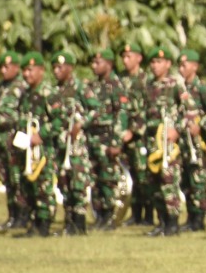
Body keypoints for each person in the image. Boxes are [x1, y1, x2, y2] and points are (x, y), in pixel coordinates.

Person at [137, 44, 197, 238]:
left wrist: (177, 130)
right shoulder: (148, 86)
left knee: (168, 181)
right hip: (152, 141)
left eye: (159, 62)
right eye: (153, 62)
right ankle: (161, 221)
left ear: (168, 64)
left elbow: (191, 112)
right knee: (152, 182)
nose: (155, 66)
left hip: (169, 143)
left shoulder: (176, 85)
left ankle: (172, 222)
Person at [16, 53, 59, 237]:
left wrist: (41, 134)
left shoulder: (48, 93)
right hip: (28, 151)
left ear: (41, 70)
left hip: (44, 150)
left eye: (30, 70)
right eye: (24, 70)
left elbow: (61, 120)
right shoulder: (26, 95)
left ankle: (45, 224)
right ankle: (34, 223)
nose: (27, 74)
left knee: (44, 188)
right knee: (30, 187)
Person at [177, 49, 206, 232]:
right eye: (179, 65)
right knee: (185, 181)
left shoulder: (202, 88)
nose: (181, 68)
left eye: (184, 65)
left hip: (198, 144)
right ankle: (191, 216)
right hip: (183, 143)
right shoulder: (178, 89)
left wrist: (200, 125)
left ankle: (199, 219)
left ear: (195, 66)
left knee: (198, 181)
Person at [85, 49, 125, 230]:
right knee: (94, 177)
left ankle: (110, 215)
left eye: (98, 63)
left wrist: (116, 142)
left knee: (108, 177)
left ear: (108, 64)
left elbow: (121, 114)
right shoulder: (93, 86)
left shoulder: (116, 86)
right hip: (92, 136)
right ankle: (99, 214)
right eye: (93, 63)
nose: (94, 66)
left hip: (108, 136)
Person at [52, 51, 90, 236]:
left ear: (70, 68)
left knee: (78, 183)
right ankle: (69, 222)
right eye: (54, 67)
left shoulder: (80, 88)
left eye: (60, 67)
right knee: (64, 183)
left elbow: (97, 109)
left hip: (76, 145)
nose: (56, 71)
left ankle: (80, 223)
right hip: (60, 144)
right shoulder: (55, 90)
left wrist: (80, 123)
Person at [0, 50, 28, 230]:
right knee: (5, 178)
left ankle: (22, 215)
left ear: (16, 68)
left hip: (14, 136)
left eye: (7, 66)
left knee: (17, 178)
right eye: (1, 67)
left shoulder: (22, 86)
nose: (3, 70)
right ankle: (12, 214)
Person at [117, 41, 152, 228]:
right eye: (123, 56)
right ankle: (135, 214)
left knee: (143, 175)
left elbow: (149, 109)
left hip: (140, 137)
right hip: (122, 135)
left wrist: (135, 130)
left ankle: (148, 214)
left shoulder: (146, 80)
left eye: (129, 56)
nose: (125, 60)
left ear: (139, 58)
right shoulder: (119, 79)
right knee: (130, 174)